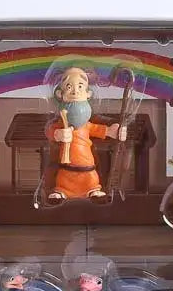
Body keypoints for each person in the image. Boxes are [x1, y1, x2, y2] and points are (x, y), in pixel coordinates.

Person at [45, 66, 126, 202]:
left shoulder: (87, 126)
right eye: (69, 87)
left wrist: (113, 132)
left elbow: (98, 129)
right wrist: (58, 134)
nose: (75, 91)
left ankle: (93, 191)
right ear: (60, 94)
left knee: (92, 181)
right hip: (66, 170)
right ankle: (61, 192)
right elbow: (50, 131)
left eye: (80, 86)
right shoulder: (60, 125)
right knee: (62, 182)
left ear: (88, 94)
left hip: (88, 170)